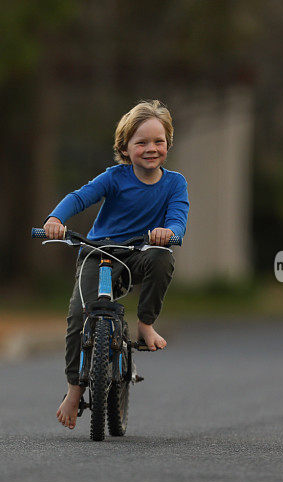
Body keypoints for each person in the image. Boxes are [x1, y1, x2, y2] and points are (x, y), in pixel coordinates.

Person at [43, 99, 189, 430]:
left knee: (163, 258)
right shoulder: (115, 178)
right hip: (99, 254)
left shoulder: (175, 184)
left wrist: (169, 232)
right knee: (79, 317)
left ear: (168, 143)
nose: (151, 148)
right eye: (142, 142)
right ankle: (74, 390)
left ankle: (146, 324)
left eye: (158, 141)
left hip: (138, 253)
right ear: (125, 148)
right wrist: (55, 218)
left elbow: (178, 219)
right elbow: (80, 198)